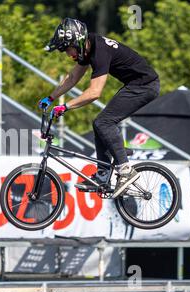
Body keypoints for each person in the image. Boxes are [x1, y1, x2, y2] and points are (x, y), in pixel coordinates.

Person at [39, 17, 160, 198]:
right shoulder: (89, 46)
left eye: (68, 49)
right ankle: (103, 174)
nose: (67, 54)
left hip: (145, 86)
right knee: (99, 124)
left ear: (78, 42)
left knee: (104, 122)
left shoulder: (100, 51)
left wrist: (65, 106)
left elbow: (95, 92)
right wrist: (50, 97)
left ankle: (125, 170)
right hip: (135, 84)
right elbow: (72, 78)